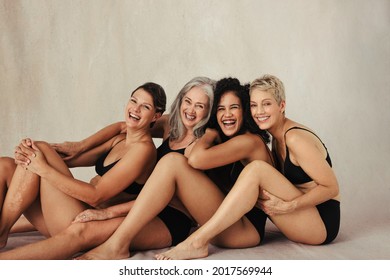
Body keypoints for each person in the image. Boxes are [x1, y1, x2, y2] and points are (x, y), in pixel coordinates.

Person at [0, 76, 215, 259]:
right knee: (8, 164)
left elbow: (165, 193)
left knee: (79, 228)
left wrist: (42, 166)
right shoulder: (171, 125)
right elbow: (126, 125)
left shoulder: (200, 145)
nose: (190, 110)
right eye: (188, 101)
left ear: (208, 111)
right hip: (132, 206)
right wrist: (77, 145)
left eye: (200, 105)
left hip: (165, 215)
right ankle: (3, 230)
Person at [75, 77, 274, 260]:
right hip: (219, 220)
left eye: (234, 108)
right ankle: (116, 243)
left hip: (242, 230)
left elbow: (194, 159)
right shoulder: (209, 132)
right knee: (168, 160)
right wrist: (79, 146)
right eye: (221, 109)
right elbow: (126, 126)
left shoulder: (239, 140)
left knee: (172, 162)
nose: (227, 114)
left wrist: (210, 132)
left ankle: (117, 245)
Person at [155, 74, 341, 260]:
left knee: (257, 169)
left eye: (266, 104)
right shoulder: (276, 139)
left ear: (281, 106)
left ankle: (197, 242)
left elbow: (331, 187)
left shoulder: (294, 138)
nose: (259, 111)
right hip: (302, 212)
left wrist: (290, 206)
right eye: (254, 105)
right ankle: (198, 239)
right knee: (256, 169)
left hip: (321, 223)